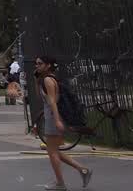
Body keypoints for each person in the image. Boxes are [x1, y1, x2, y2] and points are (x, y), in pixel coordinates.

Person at [34, 56, 91, 191]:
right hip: (52, 118)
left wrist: (57, 120)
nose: (37, 66)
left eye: (40, 64)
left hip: (53, 118)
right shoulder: (47, 79)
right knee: (54, 150)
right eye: (36, 64)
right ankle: (83, 170)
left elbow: (53, 101)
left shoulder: (48, 80)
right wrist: (36, 80)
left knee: (52, 151)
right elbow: (41, 98)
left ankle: (60, 183)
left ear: (48, 66)